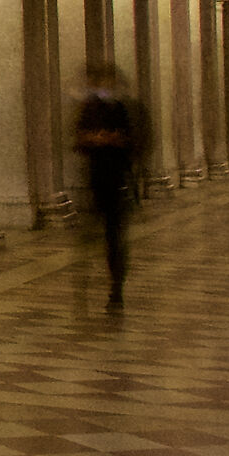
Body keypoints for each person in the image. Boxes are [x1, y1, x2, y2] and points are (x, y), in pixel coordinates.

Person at [73, 66, 140, 311]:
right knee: (90, 237)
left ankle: (116, 287)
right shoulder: (90, 108)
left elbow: (133, 141)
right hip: (96, 180)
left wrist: (110, 140)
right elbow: (79, 138)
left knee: (114, 237)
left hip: (118, 180)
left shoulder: (122, 108)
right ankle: (84, 285)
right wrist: (94, 139)